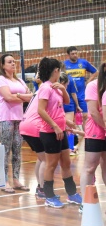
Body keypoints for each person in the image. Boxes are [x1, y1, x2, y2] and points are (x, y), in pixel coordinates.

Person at [37, 57, 82, 208]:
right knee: (51, 165)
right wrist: (55, 126)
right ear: (56, 71)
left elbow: (66, 102)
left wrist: (63, 89)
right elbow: (41, 110)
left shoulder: (55, 86)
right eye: (59, 70)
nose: (60, 72)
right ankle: (49, 197)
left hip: (61, 131)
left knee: (66, 163)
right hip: (50, 132)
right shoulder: (45, 87)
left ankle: (72, 194)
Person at [0, 54, 33, 193]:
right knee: (5, 150)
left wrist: (17, 96)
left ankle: (16, 180)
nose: (13, 64)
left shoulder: (20, 81)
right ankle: (3, 181)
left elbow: (31, 97)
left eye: (14, 61)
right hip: (5, 117)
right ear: (3, 65)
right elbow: (8, 97)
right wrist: (20, 96)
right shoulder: (0, 79)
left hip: (19, 118)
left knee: (17, 150)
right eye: (9, 62)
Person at [80, 62, 106, 213]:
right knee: (90, 167)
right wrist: (105, 127)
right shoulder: (92, 86)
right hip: (95, 131)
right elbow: (94, 112)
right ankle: (86, 202)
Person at [64, 46, 98, 128]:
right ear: (68, 55)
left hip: (82, 94)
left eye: (76, 53)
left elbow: (96, 72)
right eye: (72, 54)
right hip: (70, 95)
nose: (75, 55)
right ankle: (74, 136)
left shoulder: (83, 62)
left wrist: (89, 81)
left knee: (85, 116)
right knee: (71, 117)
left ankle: (86, 136)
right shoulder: (64, 64)